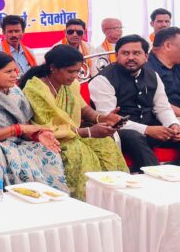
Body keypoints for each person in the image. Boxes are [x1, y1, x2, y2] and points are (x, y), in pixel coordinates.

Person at [21, 45, 128, 199]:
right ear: (53, 68)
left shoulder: (70, 85)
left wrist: (103, 118)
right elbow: (48, 127)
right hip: (48, 138)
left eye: (78, 71)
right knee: (77, 151)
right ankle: (86, 199)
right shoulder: (35, 89)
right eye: (71, 71)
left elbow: (84, 109)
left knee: (105, 142)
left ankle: (114, 195)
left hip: (73, 134)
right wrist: (88, 132)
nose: (75, 76)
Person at [0, 52, 68, 192]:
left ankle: (49, 196)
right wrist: (19, 129)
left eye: (15, 71)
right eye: (9, 72)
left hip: (17, 140)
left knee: (46, 151)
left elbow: (25, 123)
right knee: (2, 153)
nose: (15, 75)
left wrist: (38, 134)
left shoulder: (15, 91)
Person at [89, 35, 180, 168]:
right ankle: (155, 176)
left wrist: (173, 125)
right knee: (134, 137)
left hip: (152, 128)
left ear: (146, 57)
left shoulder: (152, 75)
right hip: (121, 132)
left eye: (137, 53)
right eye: (125, 53)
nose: (131, 57)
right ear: (116, 56)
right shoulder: (103, 80)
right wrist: (147, 130)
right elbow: (108, 120)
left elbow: (163, 108)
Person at [147, 27, 180, 117]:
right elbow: (156, 104)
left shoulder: (177, 63)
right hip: (166, 118)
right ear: (168, 45)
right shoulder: (146, 69)